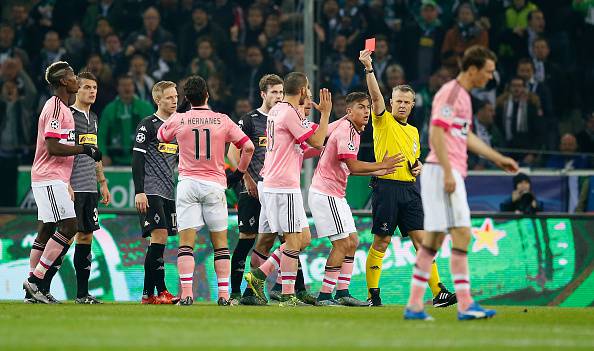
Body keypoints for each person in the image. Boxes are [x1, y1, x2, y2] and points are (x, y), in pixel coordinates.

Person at [404, 46, 518, 321]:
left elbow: (464, 137)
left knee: (433, 240)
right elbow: (437, 132)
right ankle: (466, 305)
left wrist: (497, 158)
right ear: (473, 69)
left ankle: (415, 305)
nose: (491, 77)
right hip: (443, 170)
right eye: (488, 71)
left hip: (445, 170)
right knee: (462, 234)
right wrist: (446, 172)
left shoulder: (464, 97)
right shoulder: (452, 92)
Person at [359, 49, 457, 308]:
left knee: (422, 242)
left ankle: (438, 292)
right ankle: (373, 294)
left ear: (413, 105)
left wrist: (418, 166)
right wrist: (369, 68)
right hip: (387, 188)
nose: (401, 105)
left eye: (406, 102)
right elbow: (374, 96)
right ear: (391, 103)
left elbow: (413, 159)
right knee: (382, 240)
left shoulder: (414, 132)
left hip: (410, 190)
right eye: (398, 101)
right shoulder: (383, 121)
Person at [157, 75, 255, 306]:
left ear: (187, 98)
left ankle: (187, 294)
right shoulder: (221, 119)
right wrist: (239, 174)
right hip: (214, 184)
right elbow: (248, 146)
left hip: (188, 184)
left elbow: (161, 135)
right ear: (207, 95)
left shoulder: (180, 119)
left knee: (185, 244)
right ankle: (223, 296)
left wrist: (181, 113)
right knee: (220, 244)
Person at [244, 72, 332, 307]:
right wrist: (325, 114)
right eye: (309, 90)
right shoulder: (290, 113)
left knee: (303, 238)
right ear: (303, 91)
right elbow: (317, 141)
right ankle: (286, 294)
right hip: (283, 185)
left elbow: (308, 139)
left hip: (276, 183)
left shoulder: (277, 111)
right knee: (293, 241)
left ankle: (259, 274)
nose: (311, 95)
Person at [309, 91, 402, 306]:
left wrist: (377, 171)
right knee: (342, 244)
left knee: (353, 242)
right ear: (349, 111)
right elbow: (353, 165)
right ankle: (324, 295)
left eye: (368, 107)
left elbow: (348, 166)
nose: (367, 111)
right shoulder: (346, 131)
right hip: (326, 193)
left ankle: (342, 293)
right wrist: (382, 166)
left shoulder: (348, 126)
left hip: (335, 194)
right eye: (361, 107)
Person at [23, 61, 102, 304]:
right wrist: (85, 149)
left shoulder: (63, 108)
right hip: (49, 176)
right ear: (62, 82)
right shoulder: (56, 108)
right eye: (71, 76)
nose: (75, 79)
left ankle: (33, 292)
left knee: (47, 230)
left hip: (52, 177)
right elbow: (53, 146)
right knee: (69, 227)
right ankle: (36, 281)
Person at [226, 74, 284, 305]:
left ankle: (285, 290)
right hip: (251, 190)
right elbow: (233, 152)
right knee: (246, 239)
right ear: (263, 94)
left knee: (286, 238)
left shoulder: (285, 120)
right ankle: (235, 292)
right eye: (274, 93)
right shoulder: (249, 120)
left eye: (281, 92)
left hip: (276, 189)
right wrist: (247, 179)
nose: (278, 97)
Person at [132, 81, 180, 305]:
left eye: (176, 96)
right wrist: (139, 191)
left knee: (158, 241)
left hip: (169, 191)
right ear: (157, 100)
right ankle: (161, 291)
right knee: (159, 236)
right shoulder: (148, 125)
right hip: (150, 190)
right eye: (169, 97)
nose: (174, 100)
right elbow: (137, 160)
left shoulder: (178, 125)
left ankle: (147, 294)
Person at [69, 71, 111, 304]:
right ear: (77, 89)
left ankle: (82, 294)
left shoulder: (94, 117)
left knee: (86, 237)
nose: (92, 91)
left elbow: (95, 153)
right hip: (72, 186)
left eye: (94, 87)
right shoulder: (68, 116)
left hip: (89, 188)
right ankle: (40, 286)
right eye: (87, 87)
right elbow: (60, 153)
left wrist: (102, 182)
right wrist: (65, 182)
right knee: (64, 237)